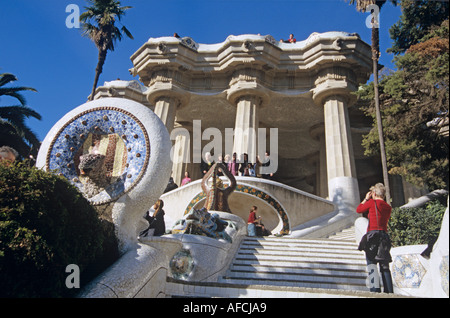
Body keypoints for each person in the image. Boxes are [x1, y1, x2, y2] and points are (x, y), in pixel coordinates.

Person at [356, 183, 394, 293]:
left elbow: (359, 209)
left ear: (373, 193)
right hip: (384, 236)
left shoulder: (372, 202)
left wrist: (365, 199)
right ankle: (389, 292)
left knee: (372, 264)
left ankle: (375, 291)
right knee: (385, 266)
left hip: (372, 236)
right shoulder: (388, 207)